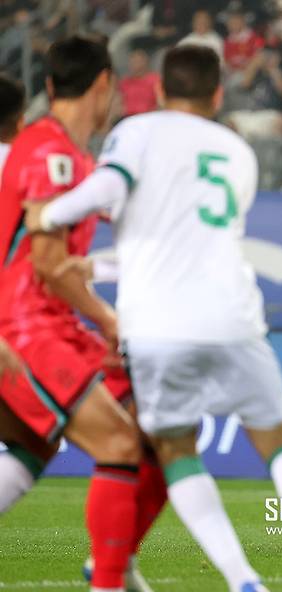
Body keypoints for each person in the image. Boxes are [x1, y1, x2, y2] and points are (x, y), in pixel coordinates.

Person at [23, 44, 282, 592]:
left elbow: (112, 191)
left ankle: (242, 580)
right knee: (281, 444)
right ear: (216, 94)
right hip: (232, 317)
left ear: (159, 90)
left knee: (177, 454)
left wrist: (53, 211)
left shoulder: (135, 132)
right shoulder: (237, 152)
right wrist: (98, 263)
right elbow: (191, 240)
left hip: (156, 328)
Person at [0, 37, 166, 592]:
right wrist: (108, 317)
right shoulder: (54, 153)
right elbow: (46, 265)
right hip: (26, 326)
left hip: (51, 322)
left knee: (159, 432)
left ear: (50, 86)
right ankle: (109, 581)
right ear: (104, 83)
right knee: (120, 446)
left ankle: (111, 567)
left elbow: (54, 260)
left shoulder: (74, 156)